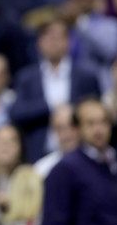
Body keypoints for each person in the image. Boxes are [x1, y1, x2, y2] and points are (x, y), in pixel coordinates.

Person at [8, 19, 101, 163]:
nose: (54, 43)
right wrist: (49, 107)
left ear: (68, 41)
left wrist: (72, 112)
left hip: (81, 153)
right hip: (38, 155)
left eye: (58, 37)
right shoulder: (26, 77)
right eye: (49, 37)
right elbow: (16, 112)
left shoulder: (86, 76)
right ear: (39, 42)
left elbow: (96, 110)